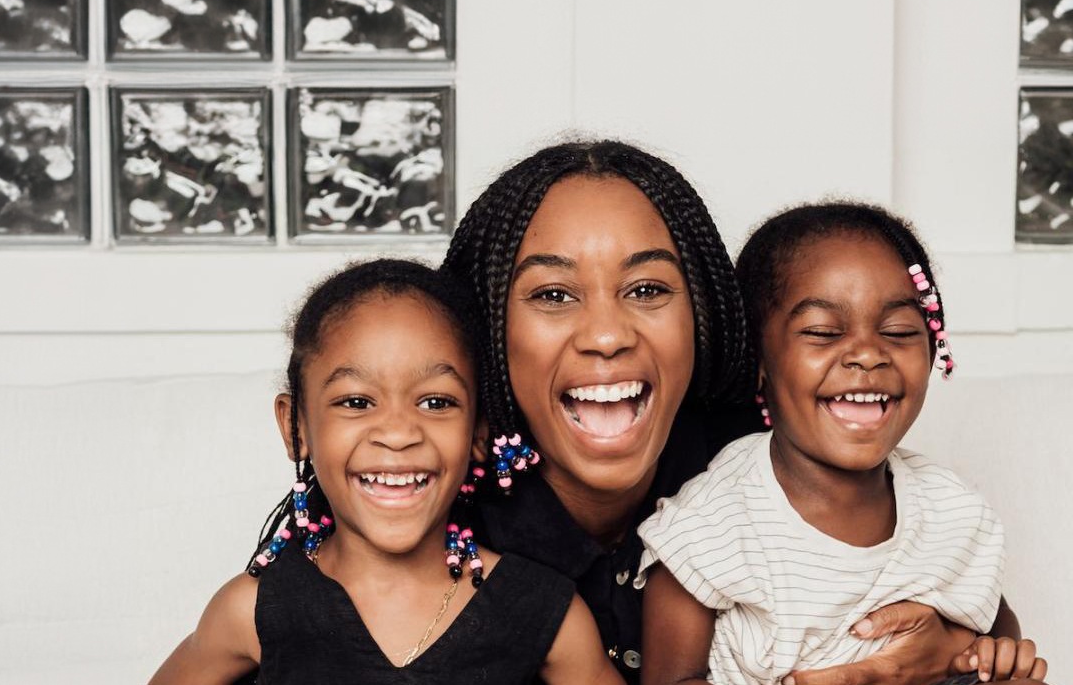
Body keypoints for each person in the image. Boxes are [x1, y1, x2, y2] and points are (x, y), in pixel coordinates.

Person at [441, 141, 1034, 685]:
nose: (606, 336)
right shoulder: (436, 523)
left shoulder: (784, 467)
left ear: (703, 312)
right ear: (488, 325)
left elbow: (977, 609)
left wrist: (953, 649)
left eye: (647, 289)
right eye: (553, 294)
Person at [147, 259, 621, 684]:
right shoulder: (250, 611)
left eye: (436, 402)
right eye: (356, 402)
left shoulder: (546, 614)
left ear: (479, 433)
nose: (397, 433)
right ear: (297, 427)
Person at [636, 202, 1047, 684]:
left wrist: (998, 660)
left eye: (898, 331)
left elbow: (993, 627)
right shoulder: (712, 525)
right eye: (822, 332)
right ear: (759, 359)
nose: (868, 354)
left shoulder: (950, 511)